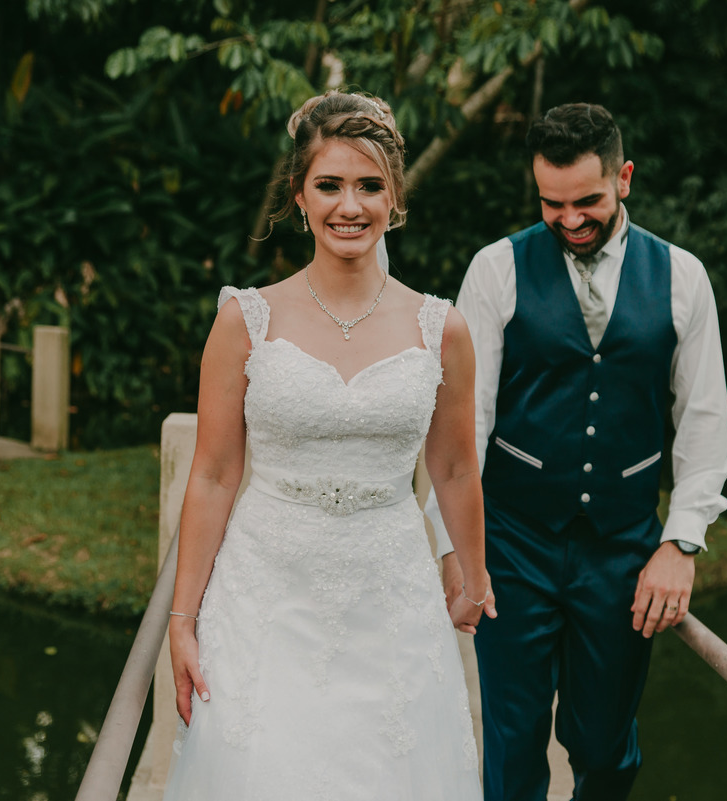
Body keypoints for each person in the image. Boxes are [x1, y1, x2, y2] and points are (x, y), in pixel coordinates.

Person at [163, 90, 495, 800]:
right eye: (330, 185)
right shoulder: (244, 320)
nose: (351, 205)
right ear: (300, 195)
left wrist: (475, 573)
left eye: (370, 185)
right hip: (266, 597)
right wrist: (182, 620)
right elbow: (215, 474)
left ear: (395, 193)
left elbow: (456, 466)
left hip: (391, 597)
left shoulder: (443, 329)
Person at [424, 102, 727, 801]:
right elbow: (462, 426)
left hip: (623, 546)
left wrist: (680, 544)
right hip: (512, 541)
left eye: (587, 200)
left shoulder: (683, 278)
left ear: (624, 177)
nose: (568, 219)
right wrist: (454, 547)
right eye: (551, 203)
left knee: (603, 743)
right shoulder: (496, 269)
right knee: (513, 734)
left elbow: (706, 425)